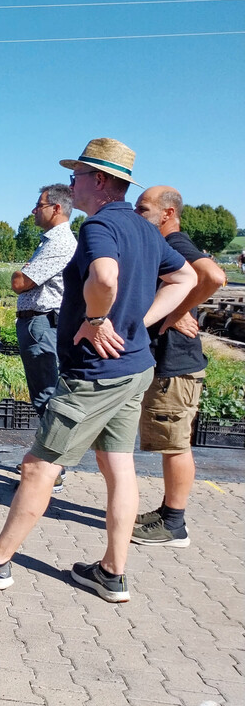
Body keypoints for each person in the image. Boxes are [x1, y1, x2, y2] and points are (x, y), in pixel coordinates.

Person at [0, 138, 196, 602]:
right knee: (118, 466)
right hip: (134, 367)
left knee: (39, 465)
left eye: (76, 175)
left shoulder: (99, 227)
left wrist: (98, 320)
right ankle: (111, 573)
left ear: (97, 180)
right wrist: (141, 321)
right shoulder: (145, 230)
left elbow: (105, 278)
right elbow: (187, 279)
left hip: (95, 372)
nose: (70, 183)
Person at [133, 186, 226, 547]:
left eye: (143, 209)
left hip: (176, 363)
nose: (138, 214)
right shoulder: (163, 247)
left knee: (175, 444)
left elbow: (214, 276)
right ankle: (166, 514)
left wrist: (177, 311)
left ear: (167, 213)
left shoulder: (175, 244)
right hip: (168, 361)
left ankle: (174, 524)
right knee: (171, 441)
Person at [12, 183, 77, 492]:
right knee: (45, 393)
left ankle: (52, 468)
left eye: (38, 205)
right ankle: (50, 463)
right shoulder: (50, 241)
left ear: (56, 208)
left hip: (42, 323)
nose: (33, 210)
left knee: (47, 395)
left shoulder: (60, 242)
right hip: (37, 323)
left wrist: (22, 273)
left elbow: (21, 281)